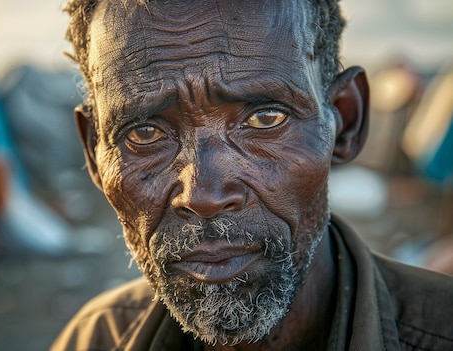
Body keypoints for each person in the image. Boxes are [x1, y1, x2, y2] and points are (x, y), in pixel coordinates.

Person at [51, 0, 453, 350]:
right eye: (145, 133)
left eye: (264, 119)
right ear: (93, 154)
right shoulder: (97, 338)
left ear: (344, 121)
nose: (203, 195)